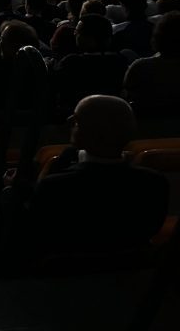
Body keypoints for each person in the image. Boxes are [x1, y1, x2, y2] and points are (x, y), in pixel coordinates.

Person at [22, 95, 168, 260]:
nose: (70, 122)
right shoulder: (155, 183)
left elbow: (35, 232)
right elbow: (150, 230)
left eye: (77, 121)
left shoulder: (54, 186)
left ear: (90, 133)